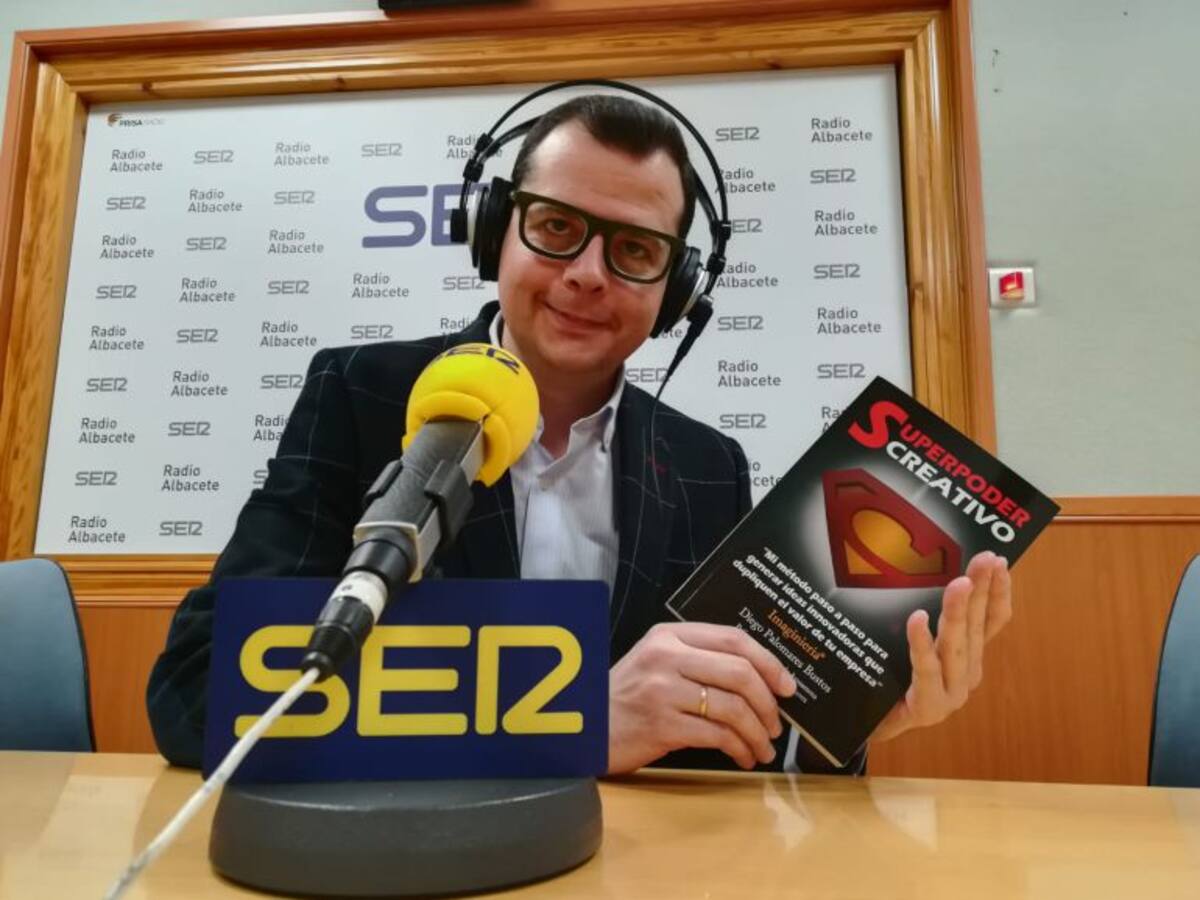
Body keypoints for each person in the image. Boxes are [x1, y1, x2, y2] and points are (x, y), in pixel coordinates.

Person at [147, 92, 1012, 775]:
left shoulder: (709, 468)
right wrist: (577, 724)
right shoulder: (363, 396)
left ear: (676, 291)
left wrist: (843, 721)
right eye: (557, 227)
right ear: (497, 232)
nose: (589, 274)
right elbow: (197, 690)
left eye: (635, 250)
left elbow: (722, 748)